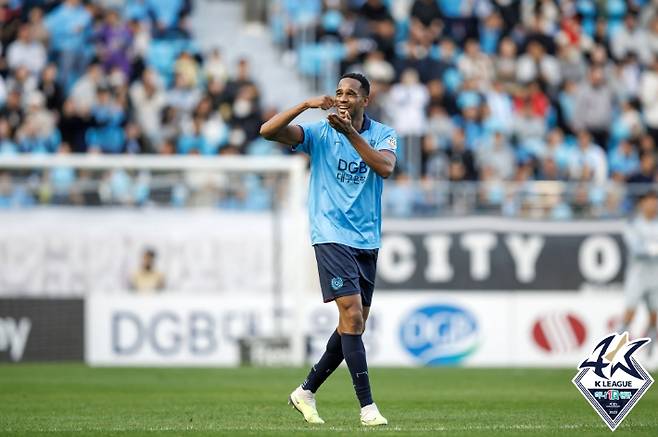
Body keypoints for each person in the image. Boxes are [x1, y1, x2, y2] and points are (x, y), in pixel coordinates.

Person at [260, 73, 396, 426]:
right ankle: (367, 408)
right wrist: (306, 105)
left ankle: (305, 391)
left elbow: (384, 167)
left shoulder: (383, 134)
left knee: (354, 324)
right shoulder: (319, 133)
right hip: (330, 233)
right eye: (339, 93)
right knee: (351, 316)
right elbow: (267, 131)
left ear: (366, 99)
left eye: (351, 93)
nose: (343, 98)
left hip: (366, 239)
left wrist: (349, 133)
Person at [620, 190, 658, 356]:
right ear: (642, 204)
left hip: (655, 276)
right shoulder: (633, 224)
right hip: (637, 276)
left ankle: (649, 349)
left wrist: (649, 247)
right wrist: (653, 248)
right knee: (629, 312)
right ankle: (614, 349)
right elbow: (636, 249)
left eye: (655, 201)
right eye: (649, 201)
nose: (652, 205)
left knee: (654, 315)